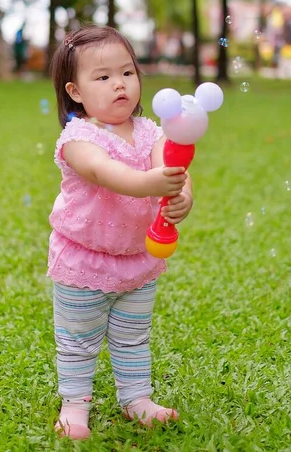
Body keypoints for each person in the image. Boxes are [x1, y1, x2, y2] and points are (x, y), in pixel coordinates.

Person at [48, 25, 193, 440]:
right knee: (79, 340)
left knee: (133, 336)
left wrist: (183, 195)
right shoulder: (78, 138)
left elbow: (175, 165)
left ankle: (136, 399)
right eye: (104, 76)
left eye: (127, 73)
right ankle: (74, 405)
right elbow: (103, 171)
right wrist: (152, 183)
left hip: (138, 257)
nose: (120, 84)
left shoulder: (149, 131)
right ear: (75, 91)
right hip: (83, 260)